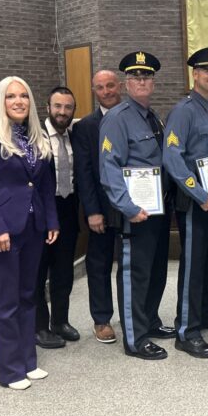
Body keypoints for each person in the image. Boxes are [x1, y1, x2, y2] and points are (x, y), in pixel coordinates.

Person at [0, 76, 59, 389]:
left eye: (23, 96)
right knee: (6, 302)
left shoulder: (35, 136)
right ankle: (10, 371)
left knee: (27, 296)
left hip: (33, 229)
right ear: (0, 100)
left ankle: (27, 361)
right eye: (11, 96)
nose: (19, 101)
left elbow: (45, 184)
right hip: (2, 231)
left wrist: (51, 221)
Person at [99, 51, 175, 360]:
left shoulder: (152, 116)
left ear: (153, 82)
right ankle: (135, 338)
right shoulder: (118, 118)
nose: (141, 82)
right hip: (135, 213)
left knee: (156, 271)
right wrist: (127, 206)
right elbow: (109, 166)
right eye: (135, 77)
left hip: (157, 210)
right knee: (135, 274)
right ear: (126, 83)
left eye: (146, 77)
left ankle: (150, 321)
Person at [163, 47, 208, 359]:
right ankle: (186, 330)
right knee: (193, 266)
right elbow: (172, 157)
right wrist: (199, 194)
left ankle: (205, 312)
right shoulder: (184, 111)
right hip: (195, 203)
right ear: (195, 75)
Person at [72, 69, 124, 344]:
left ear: (120, 86)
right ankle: (102, 319)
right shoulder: (85, 127)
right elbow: (84, 172)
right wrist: (92, 210)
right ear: (94, 91)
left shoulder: (136, 118)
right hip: (101, 210)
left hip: (132, 208)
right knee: (100, 265)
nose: (106, 91)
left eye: (111, 85)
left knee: (131, 265)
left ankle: (133, 315)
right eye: (100, 87)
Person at [35, 86, 80, 349]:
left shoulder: (74, 136)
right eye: (58, 106)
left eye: (68, 107)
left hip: (68, 210)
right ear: (48, 107)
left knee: (64, 271)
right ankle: (40, 326)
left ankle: (60, 322)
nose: (62, 112)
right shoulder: (35, 137)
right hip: (41, 212)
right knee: (38, 273)